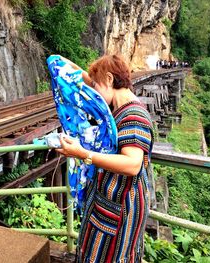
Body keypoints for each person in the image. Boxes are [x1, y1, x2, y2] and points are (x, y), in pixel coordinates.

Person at [56, 54, 154, 263]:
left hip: (120, 207)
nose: (94, 93)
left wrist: (83, 154)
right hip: (109, 202)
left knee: (109, 256)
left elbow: (132, 164)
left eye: (96, 85)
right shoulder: (116, 107)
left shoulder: (133, 116)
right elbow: (86, 79)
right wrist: (58, 61)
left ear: (109, 79)